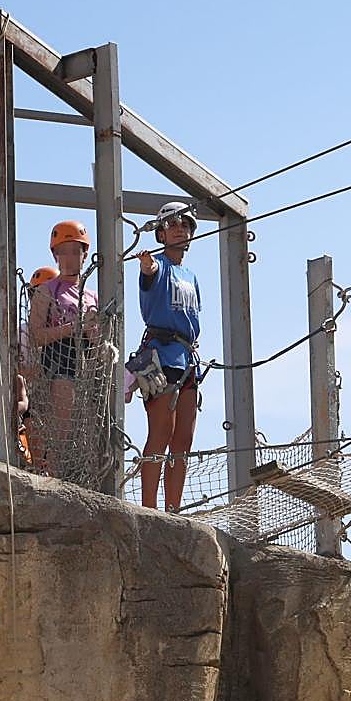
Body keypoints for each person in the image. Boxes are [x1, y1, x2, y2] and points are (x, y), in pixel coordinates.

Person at [134, 202, 202, 512]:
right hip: (161, 356)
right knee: (161, 431)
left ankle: (173, 509)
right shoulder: (158, 265)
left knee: (183, 439)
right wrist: (146, 264)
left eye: (185, 225)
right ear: (160, 233)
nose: (180, 229)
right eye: (172, 224)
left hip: (187, 359)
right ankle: (150, 509)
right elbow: (150, 272)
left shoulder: (190, 275)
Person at [27, 220, 99, 476]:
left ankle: (82, 480)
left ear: (84, 254)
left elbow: (98, 341)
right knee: (63, 431)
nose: (69, 258)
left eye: (75, 251)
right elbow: (36, 336)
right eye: (63, 252)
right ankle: (59, 481)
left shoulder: (91, 296)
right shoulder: (47, 291)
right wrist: (73, 328)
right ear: (55, 256)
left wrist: (91, 329)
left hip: (86, 365)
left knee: (88, 434)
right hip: (59, 361)